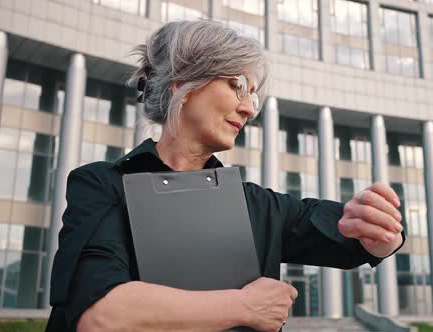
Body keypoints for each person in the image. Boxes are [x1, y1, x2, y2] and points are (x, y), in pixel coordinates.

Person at [45, 20, 405, 332]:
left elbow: (349, 234)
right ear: (182, 82)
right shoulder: (103, 185)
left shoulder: (258, 206)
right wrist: (246, 307)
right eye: (237, 85)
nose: (249, 108)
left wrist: (380, 232)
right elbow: (100, 316)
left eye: (254, 97)